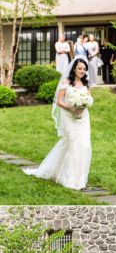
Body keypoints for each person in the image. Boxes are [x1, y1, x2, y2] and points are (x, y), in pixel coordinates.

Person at [23, 57, 93, 191]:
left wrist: (82, 106)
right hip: (68, 116)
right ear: (74, 69)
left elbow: (89, 99)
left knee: (84, 145)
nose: (82, 71)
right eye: (79, 68)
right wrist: (71, 108)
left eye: (84, 69)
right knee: (73, 143)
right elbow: (59, 101)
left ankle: (80, 178)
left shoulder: (86, 84)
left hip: (83, 118)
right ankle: (71, 179)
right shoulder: (66, 82)